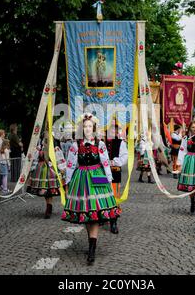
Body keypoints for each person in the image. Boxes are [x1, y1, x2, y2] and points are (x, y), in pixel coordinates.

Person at [62, 113, 121, 265]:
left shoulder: (100, 144)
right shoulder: (76, 145)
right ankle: (91, 242)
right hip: (81, 178)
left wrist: (108, 179)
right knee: (87, 212)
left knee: (95, 212)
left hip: (97, 176)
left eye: (90, 126)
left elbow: (105, 162)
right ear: (82, 128)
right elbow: (70, 165)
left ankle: (92, 249)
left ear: (94, 128)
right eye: (85, 126)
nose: (88, 129)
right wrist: (68, 182)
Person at [27, 131, 64, 218]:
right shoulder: (40, 148)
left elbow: (59, 159)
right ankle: (48, 206)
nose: (46, 138)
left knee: (50, 191)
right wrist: (31, 169)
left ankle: (49, 208)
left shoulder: (55, 148)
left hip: (51, 171)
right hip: (41, 172)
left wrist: (62, 170)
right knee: (46, 191)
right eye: (45, 136)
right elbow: (35, 159)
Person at [105, 121, 128, 234]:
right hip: (101, 174)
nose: (113, 131)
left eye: (115, 129)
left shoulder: (120, 143)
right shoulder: (100, 142)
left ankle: (113, 221)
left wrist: (113, 162)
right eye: (111, 129)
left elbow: (124, 157)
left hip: (114, 173)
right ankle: (102, 216)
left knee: (114, 197)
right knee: (101, 195)